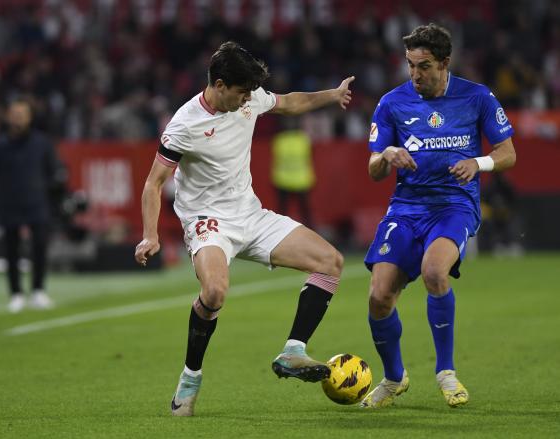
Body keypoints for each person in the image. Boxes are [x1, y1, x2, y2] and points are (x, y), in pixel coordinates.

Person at [134, 41, 355, 417]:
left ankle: (293, 351)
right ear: (219, 85)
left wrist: (331, 95)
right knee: (215, 291)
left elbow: (289, 102)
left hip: (250, 214)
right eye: (239, 94)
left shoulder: (249, 98)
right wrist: (150, 234)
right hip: (208, 221)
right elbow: (154, 183)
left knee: (329, 261)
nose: (246, 101)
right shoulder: (185, 124)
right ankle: (190, 379)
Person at [360, 23, 516, 408]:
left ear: (445, 63)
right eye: (411, 65)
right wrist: (386, 156)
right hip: (406, 208)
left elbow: (508, 153)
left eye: (424, 66)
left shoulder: (477, 97)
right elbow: (373, 168)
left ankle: (445, 372)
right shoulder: (392, 102)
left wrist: (478, 163)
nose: (416, 75)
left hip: (454, 206)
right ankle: (395, 378)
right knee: (379, 297)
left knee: (434, 271)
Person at [0, 98, 58, 313]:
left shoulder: (42, 143)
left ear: (29, 117)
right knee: (11, 250)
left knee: (39, 247)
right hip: (9, 203)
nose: (18, 118)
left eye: (22, 114)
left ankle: (38, 290)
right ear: (8, 116)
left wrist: (44, 191)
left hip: (37, 202)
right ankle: (16, 293)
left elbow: (52, 171)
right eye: (14, 114)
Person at [271, 122, 315, 228]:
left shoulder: (278, 140)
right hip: (301, 180)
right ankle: (312, 232)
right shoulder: (304, 139)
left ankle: (278, 233)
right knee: (306, 212)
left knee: (282, 212)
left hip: (283, 180)